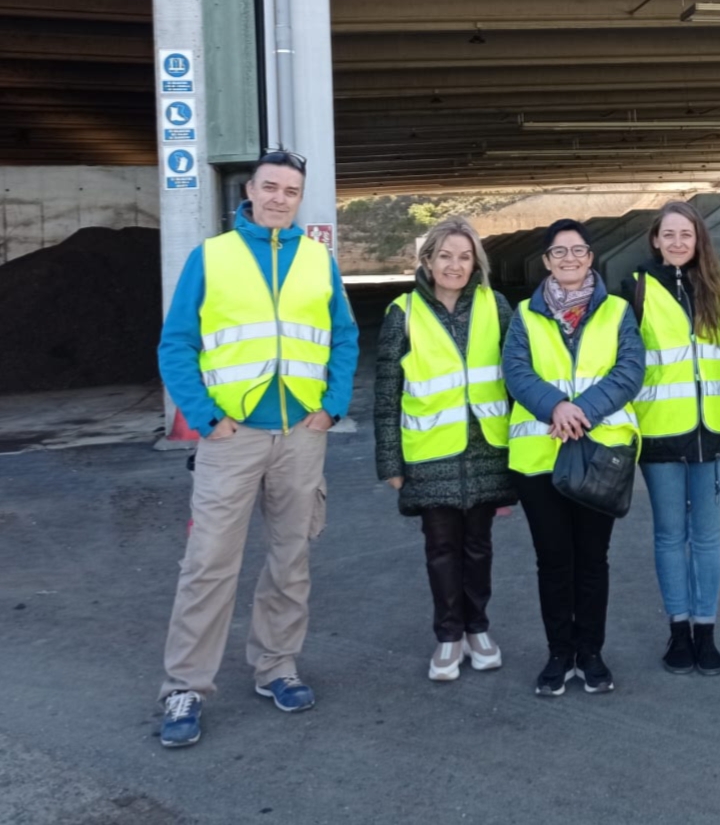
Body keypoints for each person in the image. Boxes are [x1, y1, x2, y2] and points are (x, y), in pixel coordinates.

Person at [154, 150, 360, 748]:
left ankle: (277, 666)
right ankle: (184, 687)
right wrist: (205, 418)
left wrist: (333, 404)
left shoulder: (318, 261)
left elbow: (343, 337)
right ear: (250, 191)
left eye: (291, 191)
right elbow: (177, 344)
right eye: (270, 187)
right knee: (208, 564)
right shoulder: (211, 257)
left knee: (290, 559)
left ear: (300, 199)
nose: (278, 198)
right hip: (233, 436)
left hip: (302, 433)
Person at [502, 219, 644, 696]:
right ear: (545, 261)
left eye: (577, 251)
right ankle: (559, 653)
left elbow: (629, 371)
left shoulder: (619, 311)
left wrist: (580, 410)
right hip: (539, 460)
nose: (568, 259)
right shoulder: (523, 315)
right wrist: (555, 407)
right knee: (553, 560)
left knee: (593, 559)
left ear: (590, 257)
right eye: (558, 253)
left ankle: (591, 653)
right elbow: (515, 372)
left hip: (599, 455)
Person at [374, 217, 515, 681]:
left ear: (476, 262)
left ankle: (479, 629)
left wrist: (521, 456)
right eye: (445, 256)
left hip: (487, 449)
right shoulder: (403, 312)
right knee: (440, 548)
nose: (454, 265)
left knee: (478, 546)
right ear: (428, 260)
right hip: (429, 453)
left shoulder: (496, 307)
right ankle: (449, 637)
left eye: (464, 256)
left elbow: (518, 380)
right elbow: (387, 393)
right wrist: (390, 462)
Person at [621, 201, 720, 677]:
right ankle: (678, 630)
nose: (677, 242)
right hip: (660, 431)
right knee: (670, 535)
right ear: (655, 240)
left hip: (716, 429)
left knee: (708, 536)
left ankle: (706, 631)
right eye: (668, 234)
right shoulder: (634, 289)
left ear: (698, 241)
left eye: (685, 235)